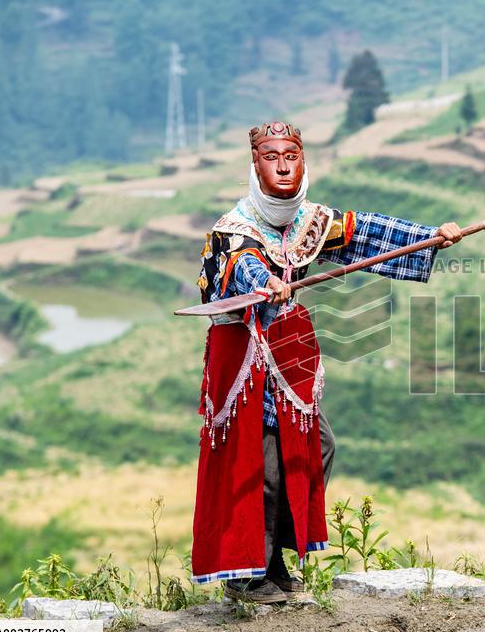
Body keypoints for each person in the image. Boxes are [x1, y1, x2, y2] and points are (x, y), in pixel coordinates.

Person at [190, 121, 462, 603]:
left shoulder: (310, 221)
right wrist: (264, 283)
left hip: (287, 352)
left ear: (303, 160)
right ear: (255, 165)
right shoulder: (233, 230)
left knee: (315, 448)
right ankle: (248, 575)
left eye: (290, 156)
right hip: (244, 358)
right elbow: (238, 267)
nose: (282, 166)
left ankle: (274, 559)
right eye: (271, 157)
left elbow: (367, 232)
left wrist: (432, 236)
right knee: (262, 465)